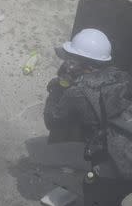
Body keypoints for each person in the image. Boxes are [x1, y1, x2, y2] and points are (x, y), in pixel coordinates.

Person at [45, 28, 132, 206]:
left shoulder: (77, 93)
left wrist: (57, 88)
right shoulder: (122, 76)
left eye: (71, 59)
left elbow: (52, 120)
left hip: (119, 163)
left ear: (83, 63)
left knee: (95, 191)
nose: (67, 64)